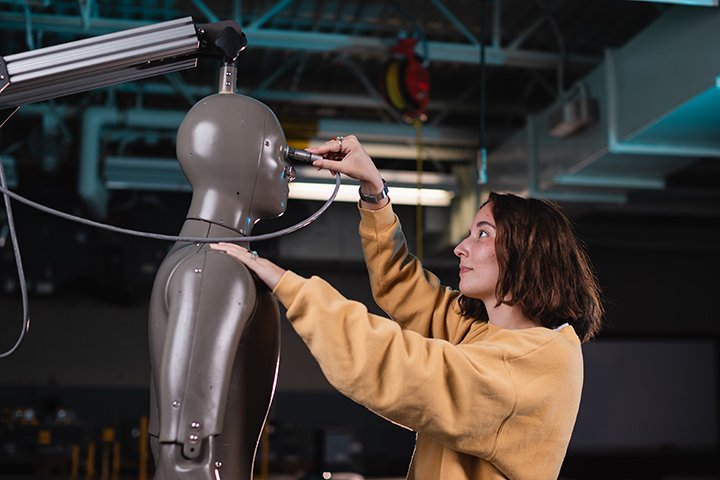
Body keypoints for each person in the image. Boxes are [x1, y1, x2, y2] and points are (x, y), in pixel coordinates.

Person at [211, 135, 603, 480]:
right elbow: (405, 287)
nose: (461, 247)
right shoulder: (487, 333)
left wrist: (289, 286)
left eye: (482, 233)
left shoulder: (534, 365)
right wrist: (373, 190)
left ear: (528, 253)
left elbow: (400, 367)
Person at [148, 90, 293, 480]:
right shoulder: (215, 268)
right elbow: (186, 454)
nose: (289, 169)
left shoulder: (198, 255)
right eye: (279, 152)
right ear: (240, 155)